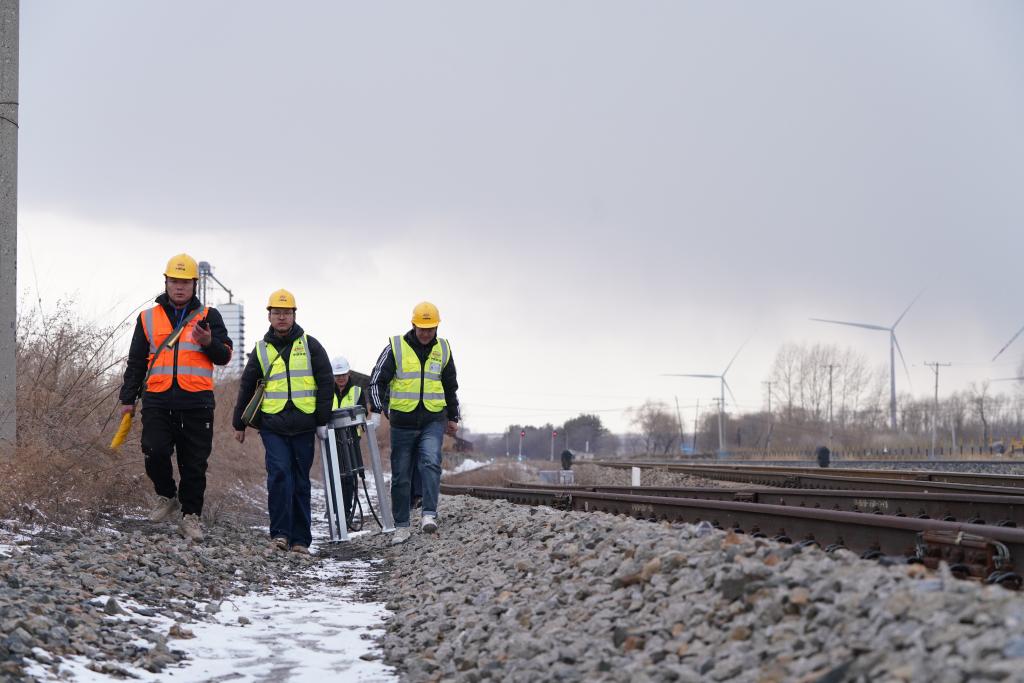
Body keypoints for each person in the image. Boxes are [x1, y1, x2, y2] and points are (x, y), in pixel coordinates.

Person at [117, 253, 234, 543]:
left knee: (194, 464)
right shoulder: (147, 318)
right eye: (174, 281)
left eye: (185, 282)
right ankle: (167, 495)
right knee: (154, 450)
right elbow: (136, 362)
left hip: (197, 401)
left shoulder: (209, 316)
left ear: (194, 284)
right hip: (157, 399)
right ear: (166, 282)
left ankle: (190, 517)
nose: (179, 287)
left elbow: (224, 356)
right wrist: (128, 398)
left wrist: (209, 342)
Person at [232, 289, 333, 554]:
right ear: (269, 316)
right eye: (276, 312)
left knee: (300, 481)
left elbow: (326, 383)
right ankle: (280, 535)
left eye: (286, 313)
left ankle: (300, 540)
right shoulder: (261, 349)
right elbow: (246, 386)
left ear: (294, 315)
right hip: (273, 426)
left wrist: (322, 421)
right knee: (279, 476)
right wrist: (239, 423)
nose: (281, 317)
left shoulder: (311, 345)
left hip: (304, 425)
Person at [370, 301, 460, 544]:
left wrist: (453, 416)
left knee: (431, 461)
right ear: (413, 324)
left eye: (430, 329)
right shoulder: (395, 347)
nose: (426, 333)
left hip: (433, 419)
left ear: (437, 327)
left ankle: (429, 514)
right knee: (401, 475)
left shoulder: (443, 349)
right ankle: (402, 525)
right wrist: (376, 409)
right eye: (422, 328)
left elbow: (450, 385)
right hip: (403, 422)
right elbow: (377, 379)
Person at [330, 356, 368, 529]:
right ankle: (336, 509)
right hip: (332, 438)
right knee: (335, 475)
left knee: (349, 476)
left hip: (352, 439)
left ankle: (346, 512)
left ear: (349, 374)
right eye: (337, 375)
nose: (340, 378)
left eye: (343, 375)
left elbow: (363, 413)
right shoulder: (327, 391)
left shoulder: (357, 391)